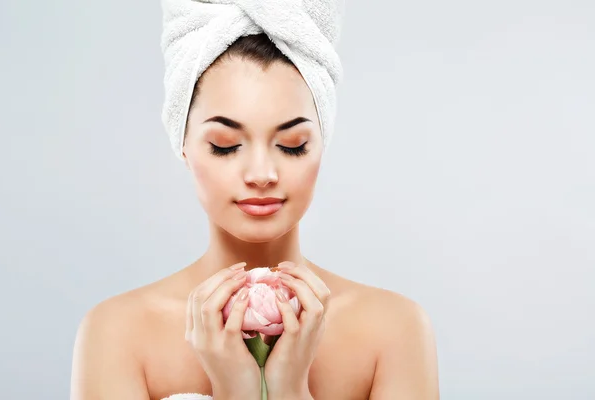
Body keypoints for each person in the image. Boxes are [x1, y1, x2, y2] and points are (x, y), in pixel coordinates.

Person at [70, 10, 439, 400]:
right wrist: (235, 389)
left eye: (292, 145)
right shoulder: (117, 333)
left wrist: (291, 389)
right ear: (183, 144)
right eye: (225, 146)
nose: (262, 173)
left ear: (321, 145)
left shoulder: (394, 331)